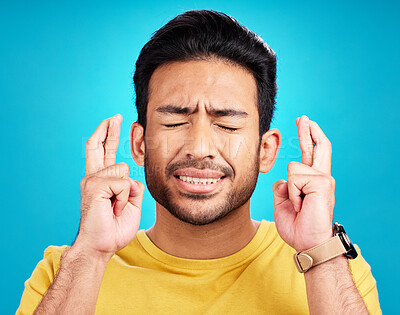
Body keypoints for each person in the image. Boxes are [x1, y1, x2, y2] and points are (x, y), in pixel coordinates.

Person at [17, 9, 381, 314]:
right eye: (175, 122)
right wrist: (92, 255)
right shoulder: (67, 271)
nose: (200, 146)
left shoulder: (331, 264)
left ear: (266, 150)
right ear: (140, 144)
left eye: (226, 123)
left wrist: (319, 248)